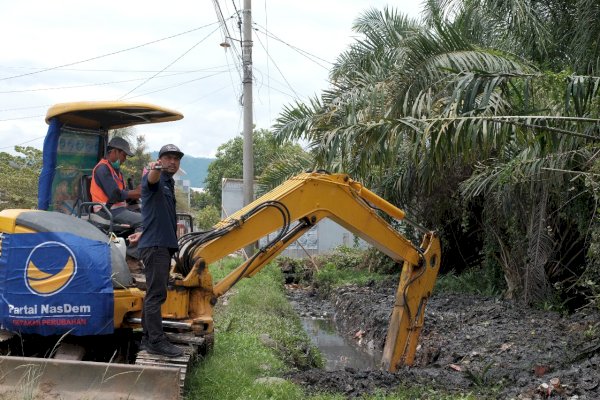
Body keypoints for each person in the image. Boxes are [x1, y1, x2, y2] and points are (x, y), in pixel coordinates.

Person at [128, 144, 184, 357]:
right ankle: (156, 341)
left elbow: (155, 215)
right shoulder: (156, 179)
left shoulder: (168, 184)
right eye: (168, 158)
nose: (173, 162)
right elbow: (151, 179)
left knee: (153, 293)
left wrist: (143, 232)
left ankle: (147, 338)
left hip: (160, 243)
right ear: (160, 160)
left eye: (176, 159)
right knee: (156, 295)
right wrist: (155, 168)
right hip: (157, 246)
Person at [90, 137, 142, 232]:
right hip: (107, 211)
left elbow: (124, 192)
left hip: (119, 209)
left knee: (149, 214)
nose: (125, 159)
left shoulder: (117, 172)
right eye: (124, 155)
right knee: (146, 220)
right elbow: (116, 195)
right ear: (114, 151)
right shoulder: (102, 169)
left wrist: (136, 193)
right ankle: (135, 245)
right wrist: (135, 192)